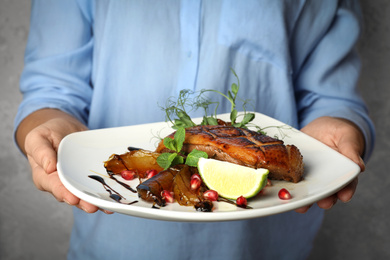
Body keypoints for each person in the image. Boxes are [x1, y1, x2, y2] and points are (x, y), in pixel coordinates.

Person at [15, 1, 375, 259]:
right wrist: (48, 127)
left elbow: (332, 97)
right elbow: (52, 88)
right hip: (114, 239)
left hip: (265, 245)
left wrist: (340, 125)